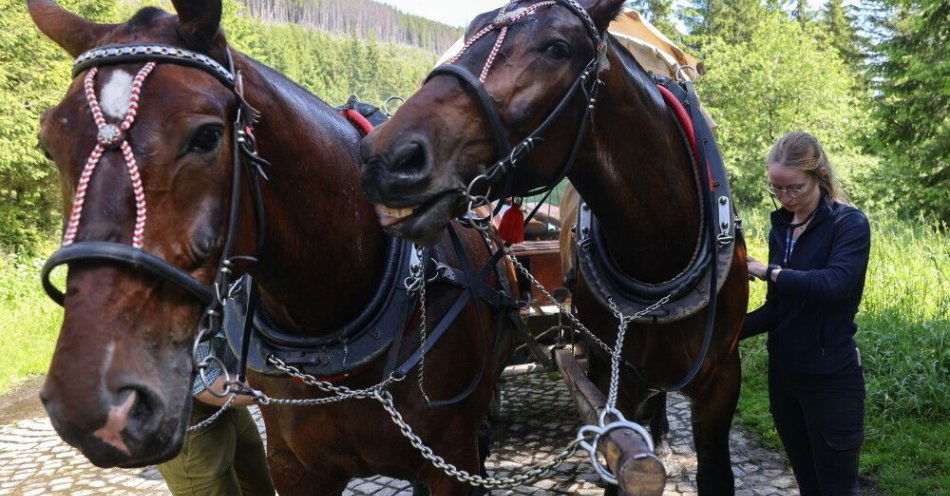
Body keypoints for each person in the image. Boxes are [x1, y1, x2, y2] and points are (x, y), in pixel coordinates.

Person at [742, 132, 871, 496]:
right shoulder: (781, 229)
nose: (785, 198)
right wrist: (723, 333)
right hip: (784, 379)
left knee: (837, 489)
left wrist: (768, 271)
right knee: (809, 485)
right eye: (776, 189)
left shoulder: (850, 224)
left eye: (794, 188)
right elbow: (778, 309)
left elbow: (834, 285)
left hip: (831, 380)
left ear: (819, 176)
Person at [156, 327, 275, 496]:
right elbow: (207, 386)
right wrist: (285, 385)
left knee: (259, 487)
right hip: (186, 420)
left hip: (230, 403)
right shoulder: (185, 310)